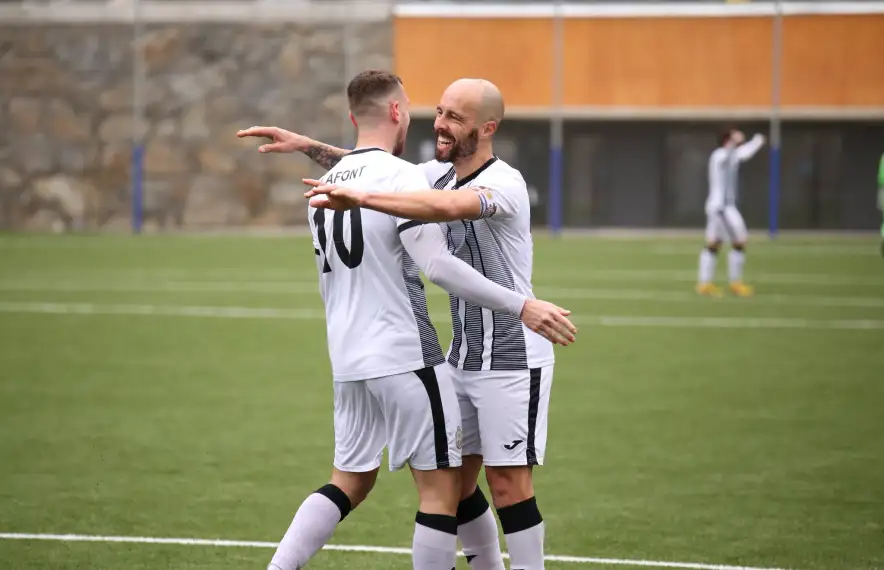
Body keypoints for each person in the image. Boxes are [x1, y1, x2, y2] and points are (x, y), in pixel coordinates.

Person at [247, 71, 577, 570]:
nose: (441, 125)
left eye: (456, 118)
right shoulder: (430, 173)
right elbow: (373, 169)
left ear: (488, 128)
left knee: (508, 484)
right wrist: (308, 146)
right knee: (458, 486)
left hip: (512, 352)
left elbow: (444, 207)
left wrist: (524, 305)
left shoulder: (504, 183)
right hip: (461, 356)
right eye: (440, 112)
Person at [696, 128, 765, 298]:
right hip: (721, 208)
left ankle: (704, 283)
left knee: (714, 244)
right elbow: (728, 156)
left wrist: (757, 141)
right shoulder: (719, 155)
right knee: (739, 241)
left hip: (721, 207)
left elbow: (744, 153)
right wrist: (734, 141)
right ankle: (735, 283)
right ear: (727, 140)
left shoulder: (732, 155)